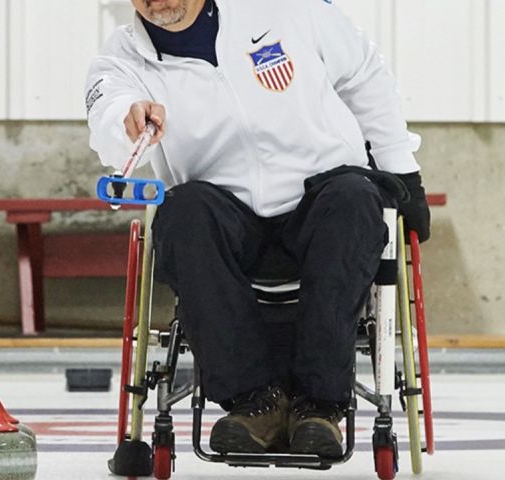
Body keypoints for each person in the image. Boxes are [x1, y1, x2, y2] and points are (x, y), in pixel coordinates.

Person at [85, 0, 430, 458]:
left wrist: (403, 172)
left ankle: (319, 406)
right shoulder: (119, 62)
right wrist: (127, 118)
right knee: (181, 211)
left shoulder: (287, 8)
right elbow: (107, 121)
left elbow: (364, 77)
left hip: (321, 198)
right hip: (225, 217)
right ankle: (253, 401)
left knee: (355, 198)